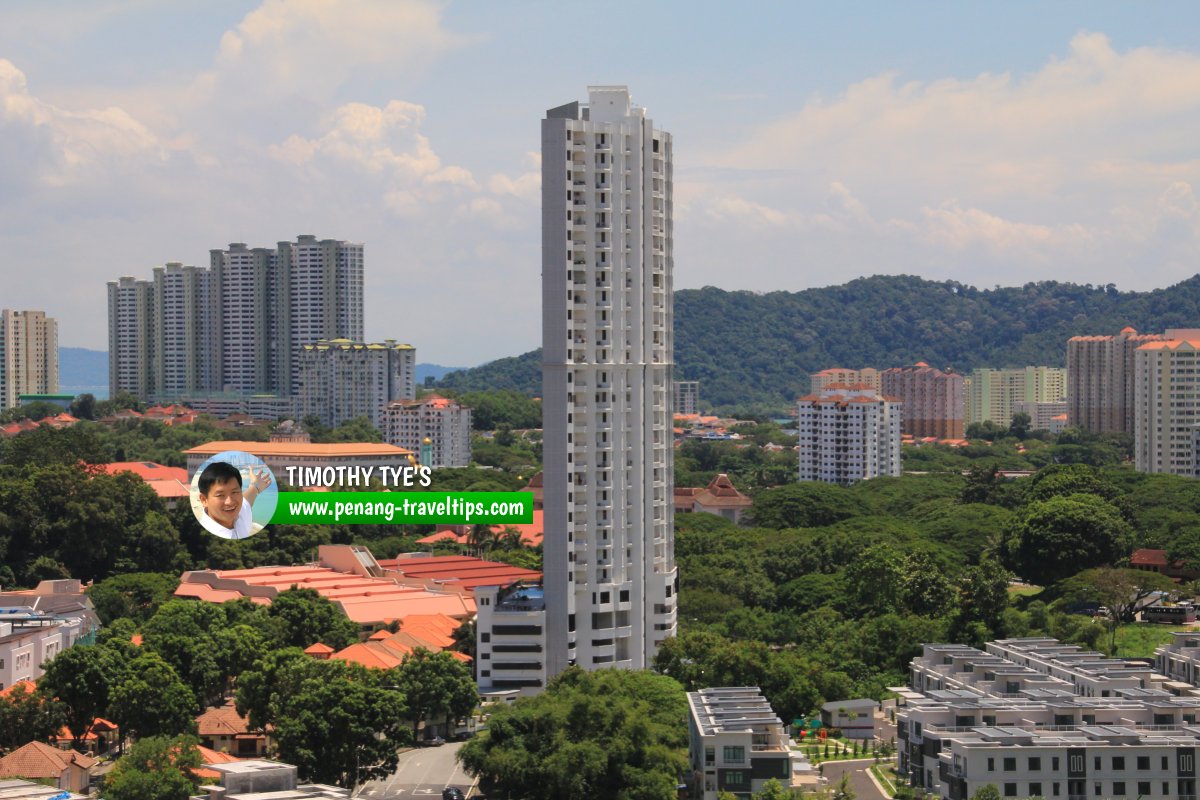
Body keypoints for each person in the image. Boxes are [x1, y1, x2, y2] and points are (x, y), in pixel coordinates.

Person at [196, 460, 272, 539]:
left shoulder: (239, 514)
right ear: (204, 500)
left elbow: (247, 500)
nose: (230, 502)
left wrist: (255, 486)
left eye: (234, 492)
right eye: (220, 495)